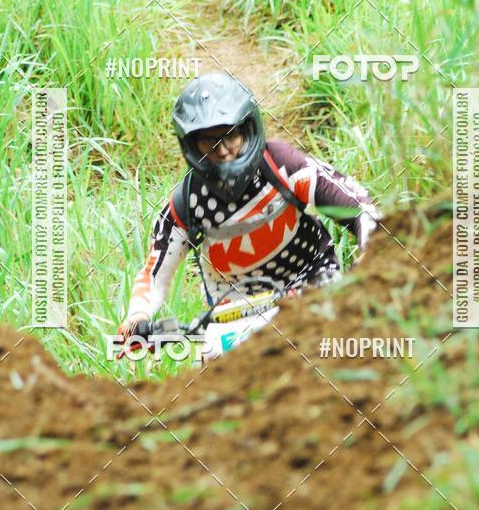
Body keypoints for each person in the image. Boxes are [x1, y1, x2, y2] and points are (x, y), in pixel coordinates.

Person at [118, 72, 381, 340]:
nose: (222, 151)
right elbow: (154, 274)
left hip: (311, 282)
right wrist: (137, 316)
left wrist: (374, 249)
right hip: (233, 312)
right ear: (192, 146)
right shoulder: (185, 204)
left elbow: (357, 206)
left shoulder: (282, 165)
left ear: (248, 130)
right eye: (209, 141)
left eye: (230, 136)